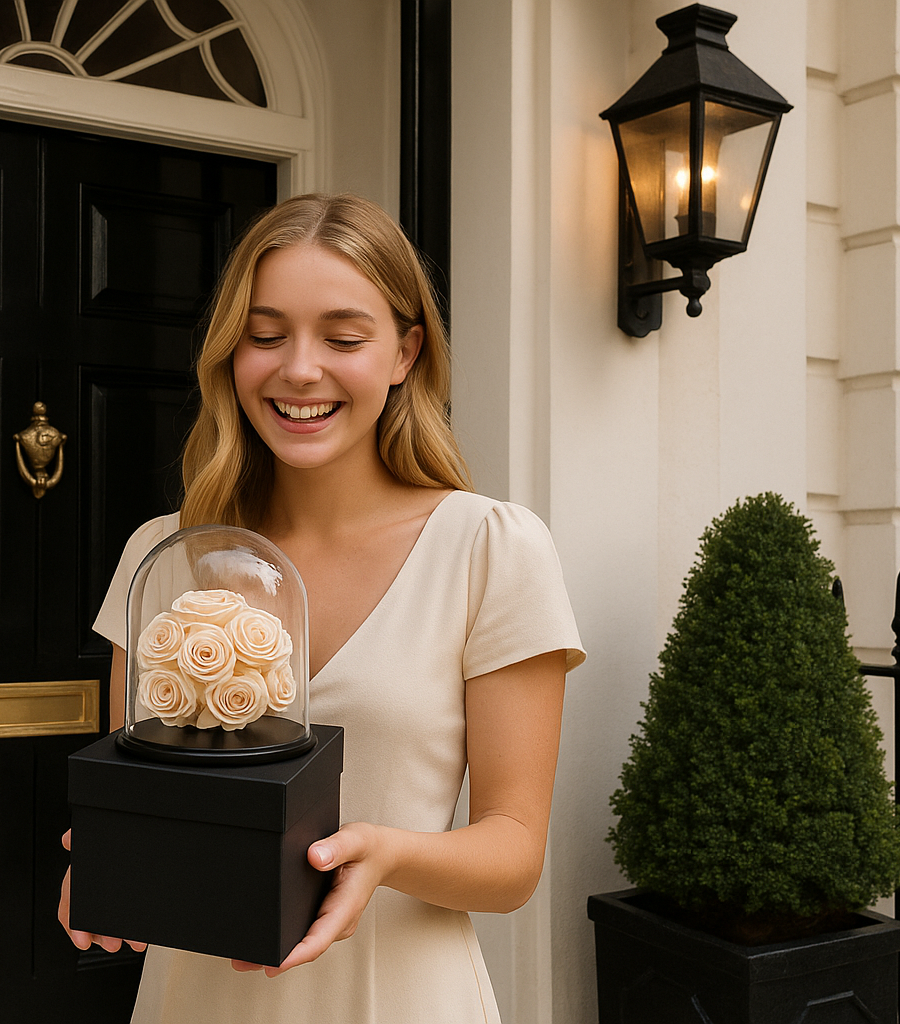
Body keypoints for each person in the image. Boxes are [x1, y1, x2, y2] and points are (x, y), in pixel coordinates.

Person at [59, 193, 585, 1023]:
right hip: (196, 1000)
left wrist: (379, 852)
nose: (299, 369)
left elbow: (514, 856)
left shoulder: (490, 549)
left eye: (342, 338)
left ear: (405, 353)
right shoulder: (162, 552)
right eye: (265, 336)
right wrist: (111, 852)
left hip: (399, 998)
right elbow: (145, 789)